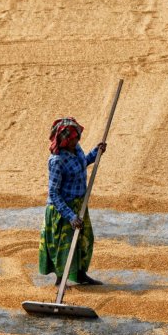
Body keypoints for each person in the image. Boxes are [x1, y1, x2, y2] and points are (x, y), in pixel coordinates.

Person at [38, 117, 107, 286]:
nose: (77, 140)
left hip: (79, 204)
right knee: (65, 245)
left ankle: (81, 275)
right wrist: (70, 216)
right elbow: (53, 193)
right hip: (63, 209)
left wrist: (96, 152)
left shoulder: (76, 149)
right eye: (74, 138)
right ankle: (60, 281)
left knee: (84, 240)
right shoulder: (57, 161)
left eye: (77, 138)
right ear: (65, 140)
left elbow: (82, 163)